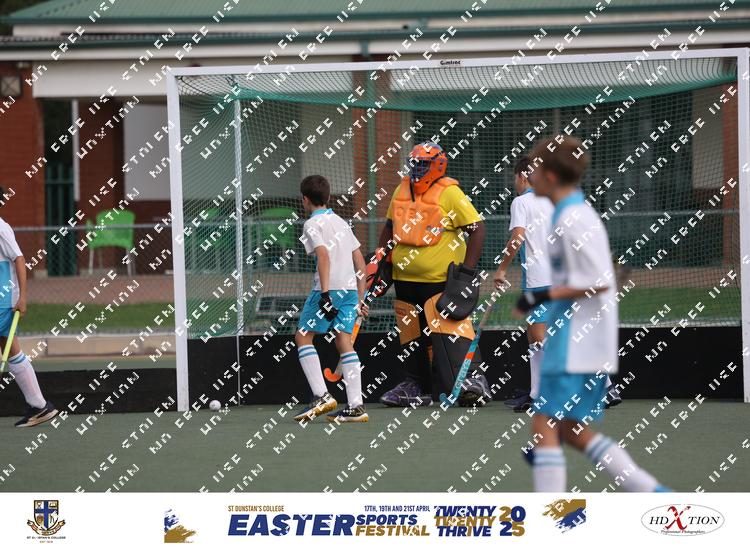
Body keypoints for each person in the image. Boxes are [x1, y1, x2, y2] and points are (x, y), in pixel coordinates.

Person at [515, 137, 667, 492]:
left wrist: (539, 295)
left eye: (535, 169)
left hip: (576, 341)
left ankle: (550, 513)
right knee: (571, 430)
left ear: (551, 176)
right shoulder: (568, 213)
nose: (529, 176)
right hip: (579, 338)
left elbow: (599, 281)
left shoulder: (573, 218)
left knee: (544, 425)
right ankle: (654, 493)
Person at [376, 142, 491, 407]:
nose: (416, 169)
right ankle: (415, 386)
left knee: (453, 332)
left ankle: (473, 382)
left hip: (439, 282)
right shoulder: (401, 189)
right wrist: (381, 260)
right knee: (411, 336)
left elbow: (477, 229)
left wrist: (467, 272)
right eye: (414, 163)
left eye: (423, 164)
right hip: (404, 281)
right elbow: (390, 227)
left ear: (438, 165)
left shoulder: (450, 193)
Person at [292, 175, 369, 423]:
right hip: (350, 291)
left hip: (329, 289)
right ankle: (356, 406)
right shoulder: (341, 222)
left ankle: (321, 396)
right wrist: (360, 299)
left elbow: (323, 256)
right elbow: (361, 263)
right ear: (327, 197)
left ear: (305, 199)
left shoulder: (311, 224)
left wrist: (325, 294)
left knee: (303, 336)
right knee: (344, 341)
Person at [493, 156, 554, 412]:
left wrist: (501, 269)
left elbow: (517, 239)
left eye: (514, 178)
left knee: (540, 337)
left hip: (539, 279)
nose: (515, 183)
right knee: (533, 336)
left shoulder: (521, 202)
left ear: (522, 176)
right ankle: (537, 394)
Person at [0, 185, 57, 427]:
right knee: (12, 350)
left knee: (11, 349)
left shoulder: (1, 228)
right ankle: (40, 406)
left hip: (3, 301)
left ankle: (40, 405)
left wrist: (23, 297)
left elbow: (20, 259)